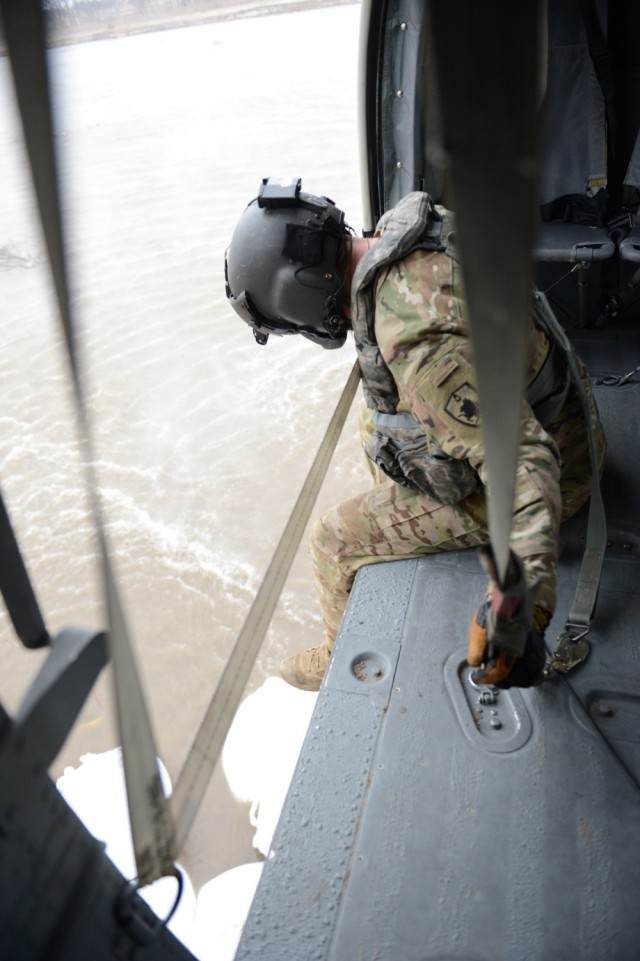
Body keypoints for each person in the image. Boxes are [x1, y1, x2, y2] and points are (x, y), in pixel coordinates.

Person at [225, 178, 606, 692]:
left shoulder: (416, 344)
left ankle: (335, 658)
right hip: (564, 402)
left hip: (566, 463)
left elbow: (525, 462)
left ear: (302, 298)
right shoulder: (407, 232)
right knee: (376, 423)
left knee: (332, 541)